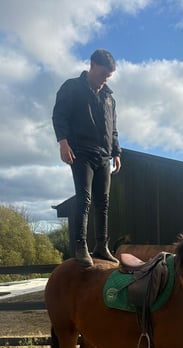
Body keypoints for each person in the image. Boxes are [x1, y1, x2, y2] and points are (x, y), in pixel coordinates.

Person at [52, 49, 122, 267]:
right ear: (92, 65)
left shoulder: (109, 98)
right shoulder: (72, 87)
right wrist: (63, 141)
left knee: (104, 202)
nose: (104, 79)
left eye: (108, 76)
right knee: (85, 199)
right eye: (102, 74)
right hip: (81, 152)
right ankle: (80, 246)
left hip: (104, 155)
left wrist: (117, 153)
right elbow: (59, 115)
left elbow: (113, 129)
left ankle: (101, 245)